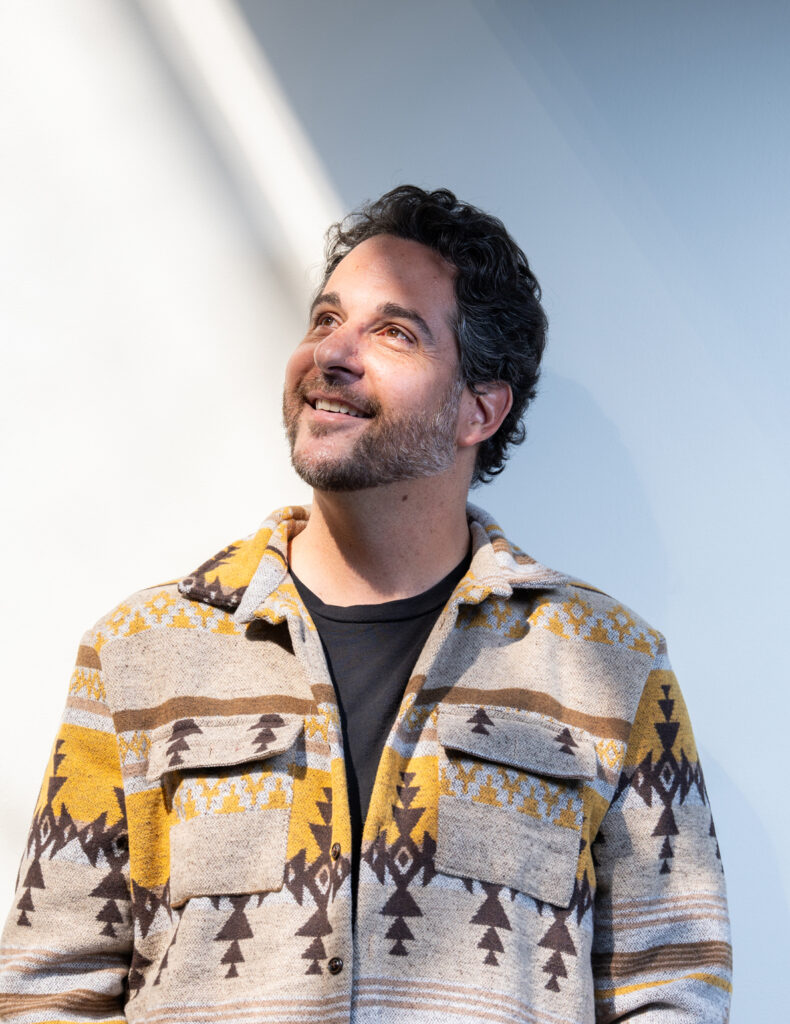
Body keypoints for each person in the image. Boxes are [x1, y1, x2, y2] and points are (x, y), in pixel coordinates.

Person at [0, 186, 731, 1023]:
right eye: (323, 318)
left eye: (393, 331)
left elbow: (672, 988)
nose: (330, 354)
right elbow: (47, 990)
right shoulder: (138, 654)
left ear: (478, 409)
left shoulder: (610, 665)